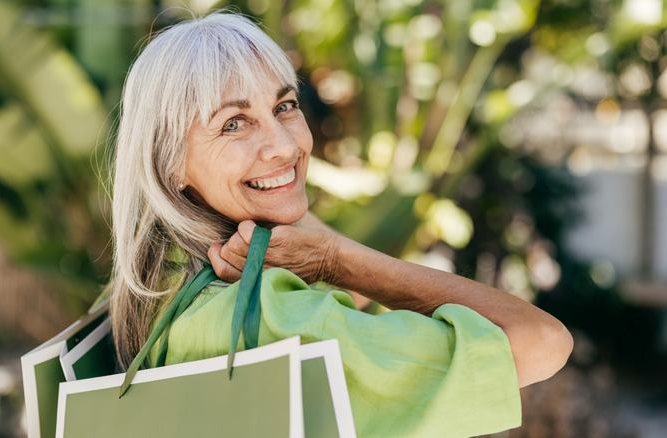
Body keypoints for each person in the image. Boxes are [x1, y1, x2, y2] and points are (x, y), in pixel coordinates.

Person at [108, 11, 573, 437]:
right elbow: (542, 341)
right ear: (170, 163)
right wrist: (333, 259)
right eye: (234, 123)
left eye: (285, 106)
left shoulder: (157, 274)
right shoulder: (282, 321)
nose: (285, 147)